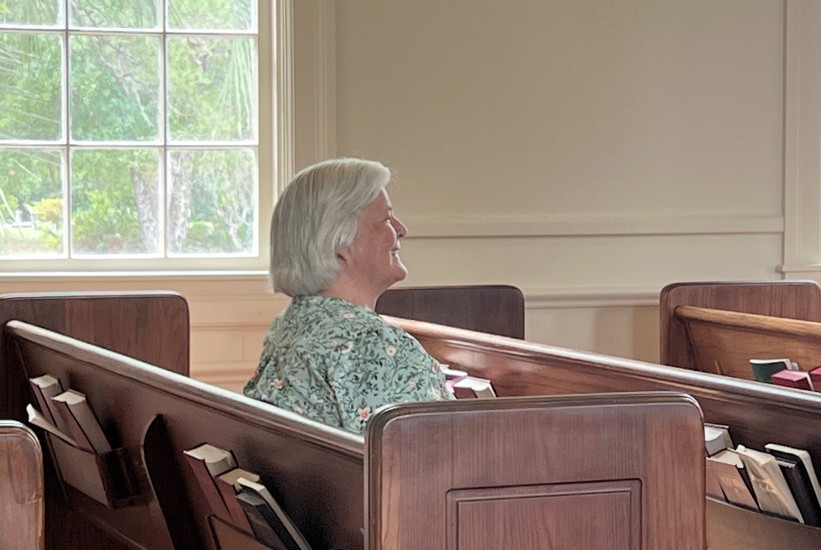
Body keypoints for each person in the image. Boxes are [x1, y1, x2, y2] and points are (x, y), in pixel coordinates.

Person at [243, 158, 451, 433]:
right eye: (386, 219)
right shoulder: (372, 343)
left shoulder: (293, 322)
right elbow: (437, 449)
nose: (401, 229)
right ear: (342, 242)